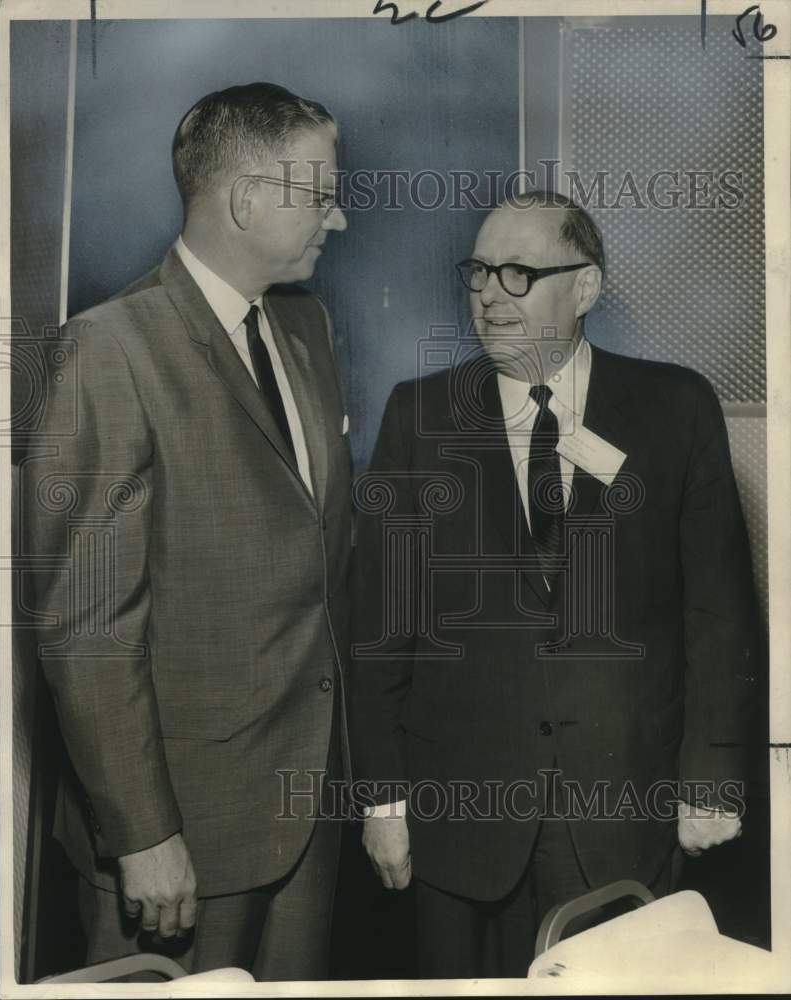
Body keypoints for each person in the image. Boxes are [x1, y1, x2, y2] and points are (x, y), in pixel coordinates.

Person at [350, 191, 760, 977]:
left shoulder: (675, 409)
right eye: (477, 273)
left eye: (518, 273)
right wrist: (382, 802)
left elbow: (718, 617)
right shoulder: (418, 414)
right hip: (456, 824)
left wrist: (711, 781)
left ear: (586, 288)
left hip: (620, 814)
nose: (488, 296)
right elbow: (381, 629)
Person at [25, 82, 351, 980]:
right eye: (321, 193)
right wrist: (143, 833)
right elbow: (87, 627)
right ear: (247, 199)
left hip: (305, 817)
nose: (340, 218)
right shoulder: (106, 349)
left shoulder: (308, 328)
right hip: (182, 837)